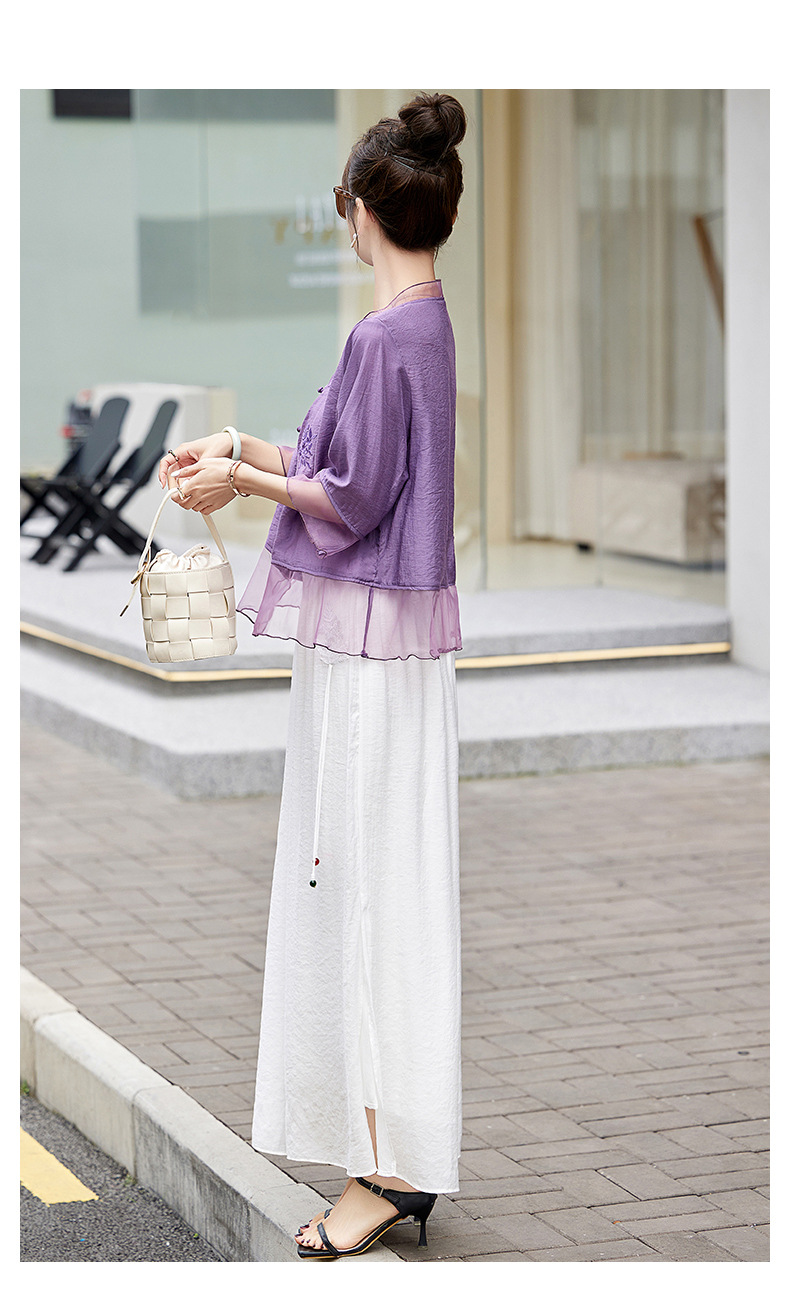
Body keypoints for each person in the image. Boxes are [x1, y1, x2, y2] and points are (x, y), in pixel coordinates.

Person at [158, 90, 467, 1261]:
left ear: (360, 211)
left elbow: (351, 496)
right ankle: (394, 1154)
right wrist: (240, 450)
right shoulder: (421, 324)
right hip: (388, 653)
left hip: (367, 661)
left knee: (362, 894)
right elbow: (342, 468)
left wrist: (241, 484)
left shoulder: (385, 336)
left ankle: (383, 1175)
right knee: (379, 891)